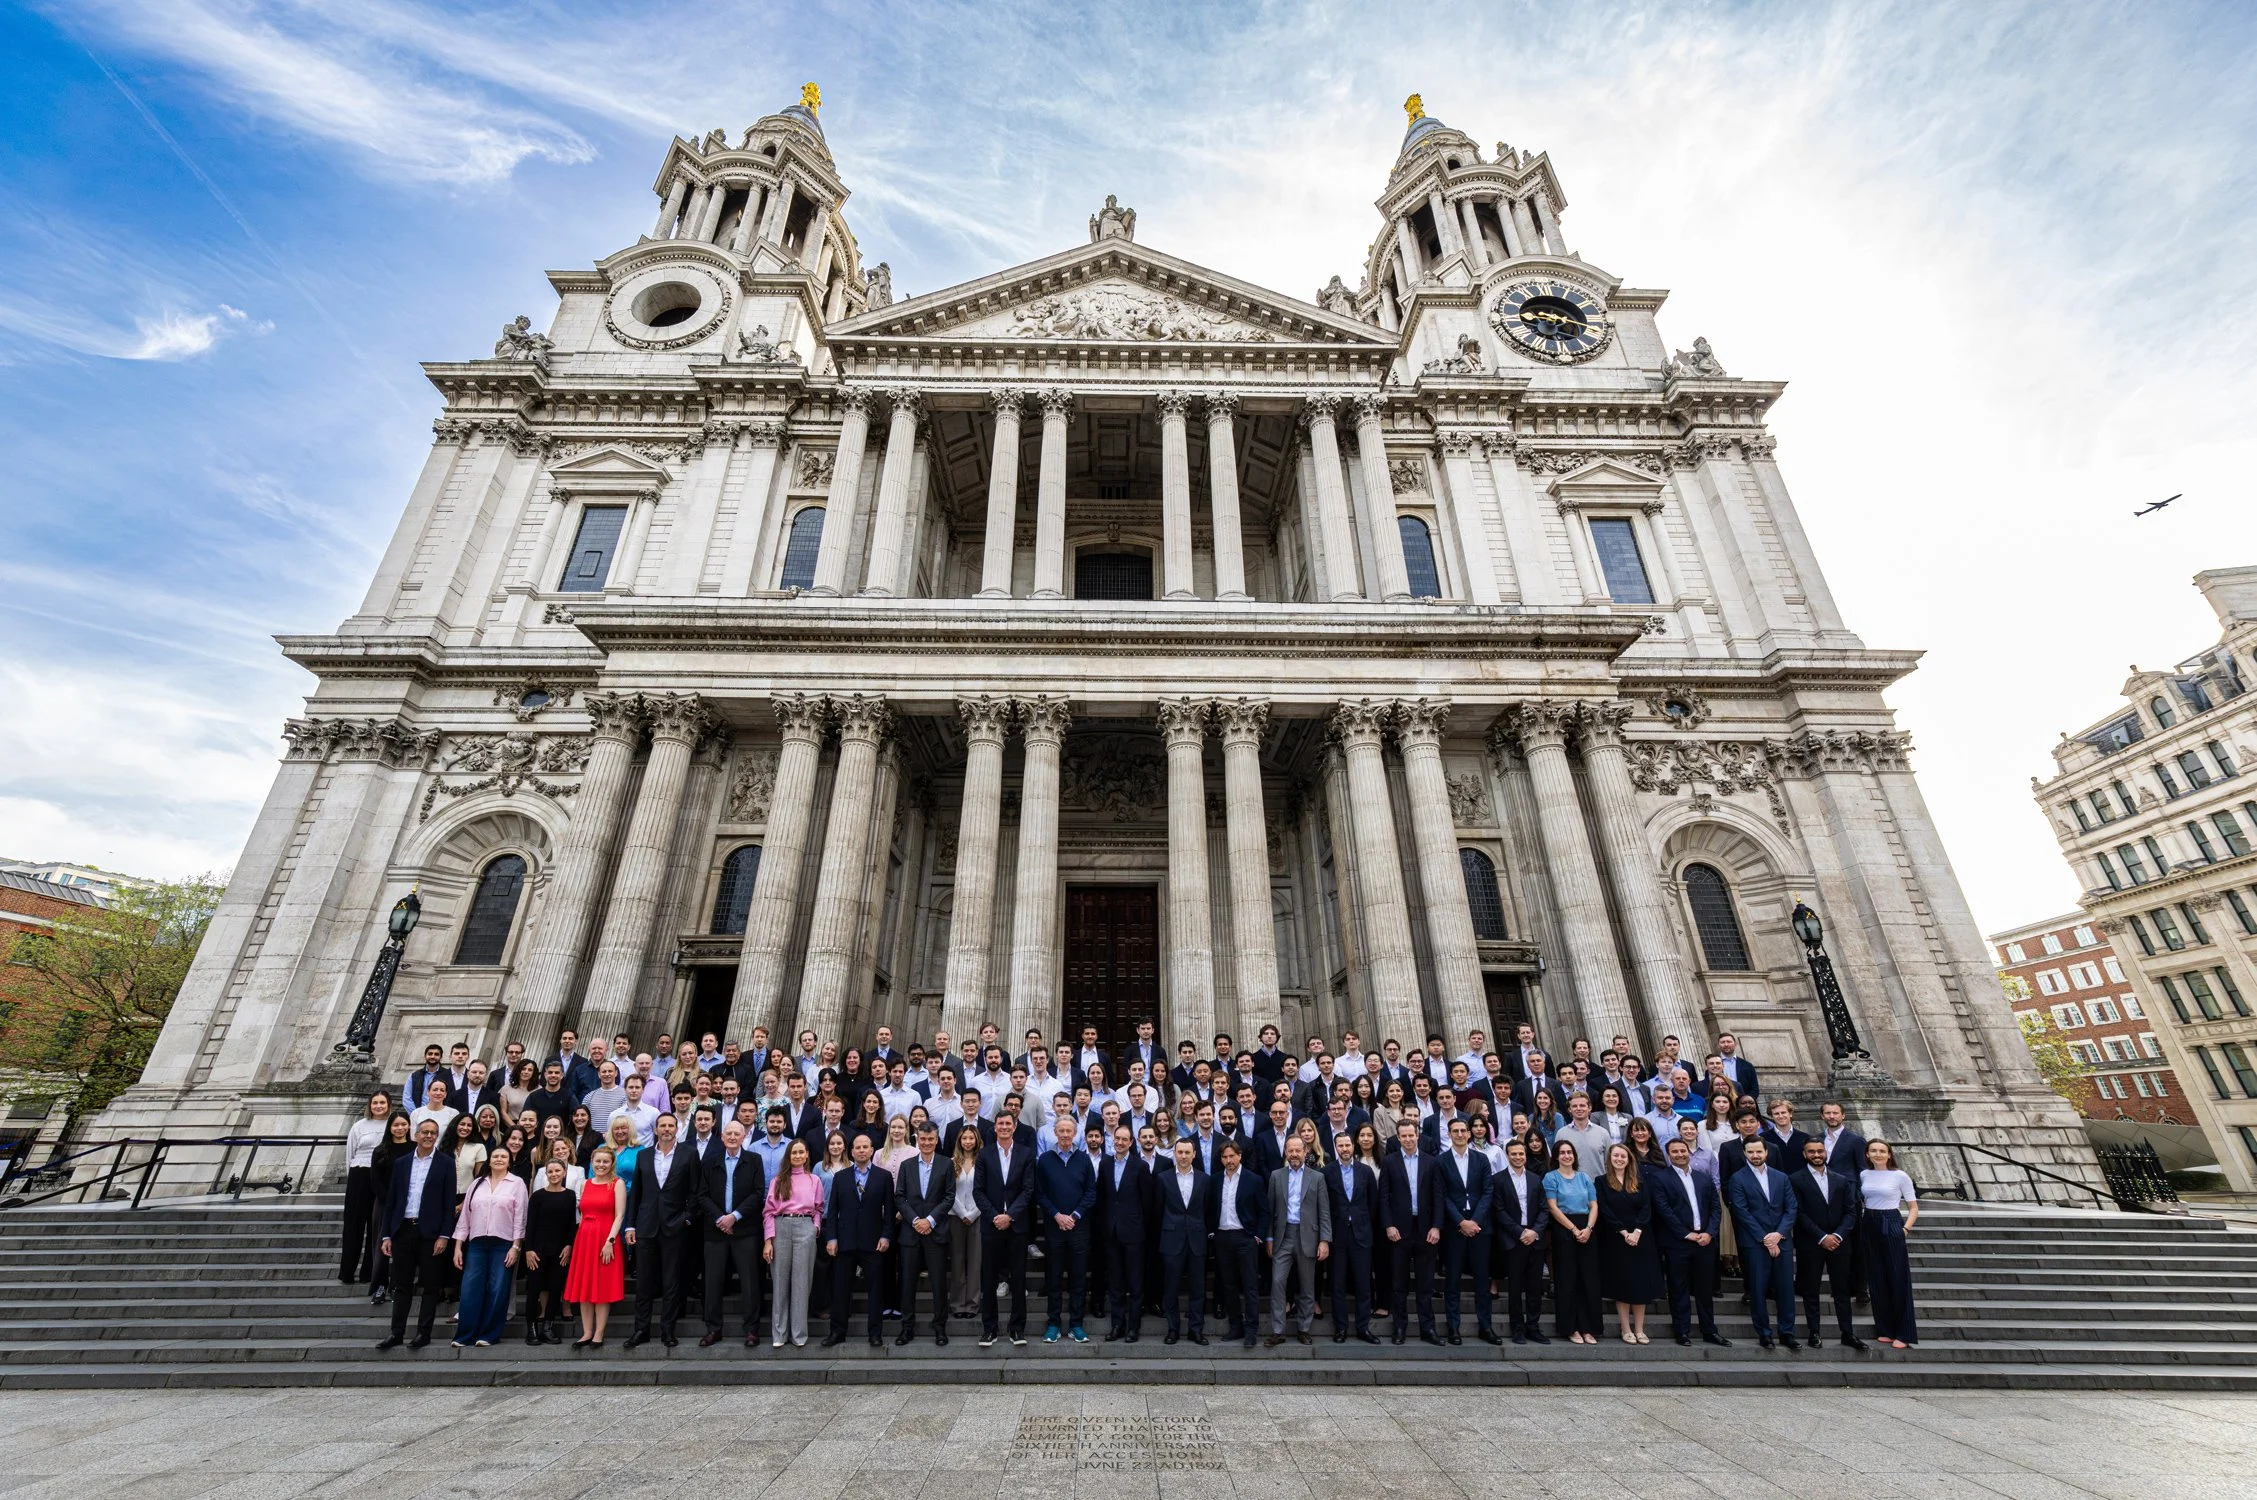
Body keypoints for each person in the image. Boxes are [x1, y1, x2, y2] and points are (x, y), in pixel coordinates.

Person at [375, 1117, 456, 1350]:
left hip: (431, 1233)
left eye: (433, 1133)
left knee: (430, 1285)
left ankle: (423, 1333)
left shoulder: (446, 1163)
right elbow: (392, 1201)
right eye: (425, 1132)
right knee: (401, 1285)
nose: (429, 1136)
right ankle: (396, 1333)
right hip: (403, 1229)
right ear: (416, 1135)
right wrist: (387, 1235)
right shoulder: (401, 1163)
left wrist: (444, 1235)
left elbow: (448, 1203)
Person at [623, 1111, 698, 1350]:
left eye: (670, 1125)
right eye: (662, 1125)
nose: (666, 1129)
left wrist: (687, 1219)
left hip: (675, 1227)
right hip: (646, 1227)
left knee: (671, 1281)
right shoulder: (644, 1155)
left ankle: (668, 1330)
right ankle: (641, 1330)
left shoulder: (689, 1153)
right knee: (644, 1283)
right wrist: (631, 1224)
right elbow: (636, 1192)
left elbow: (695, 1191)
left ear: (677, 1129)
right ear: (655, 1130)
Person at [1649, 1136, 1727, 1347]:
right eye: (1675, 1152)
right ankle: (1682, 1331)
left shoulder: (1703, 1177)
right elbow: (1663, 1210)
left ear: (1688, 1153)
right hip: (1678, 1243)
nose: (1680, 1155)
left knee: (1704, 1290)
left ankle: (1709, 1331)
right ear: (1668, 1155)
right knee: (1679, 1288)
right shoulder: (1660, 1178)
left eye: (1683, 1151)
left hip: (1704, 1241)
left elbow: (1715, 1208)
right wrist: (1685, 1233)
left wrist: (1710, 1233)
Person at [449, 1143, 527, 1348]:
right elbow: (465, 1217)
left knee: (497, 1289)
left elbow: (520, 1218)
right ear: (489, 1160)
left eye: (503, 1156)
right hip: (476, 1243)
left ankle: (489, 1334)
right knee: (469, 1288)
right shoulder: (477, 1184)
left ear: (509, 1161)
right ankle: (465, 1335)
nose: (499, 1159)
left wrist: (516, 1247)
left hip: (503, 1243)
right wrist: (458, 1246)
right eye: (495, 1156)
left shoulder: (517, 1184)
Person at [1724, 1136, 1799, 1350]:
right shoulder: (1738, 1179)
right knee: (1757, 1289)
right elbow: (1741, 1211)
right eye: (1751, 1152)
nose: (1755, 1156)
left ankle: (1787, 1332)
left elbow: (1791, 1208)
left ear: (1766, 1152)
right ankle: (1764, 1333)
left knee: (1785, 1289)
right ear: (1744, 1154)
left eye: (1759, 1152)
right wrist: (1765, 1238)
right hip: (1755, 1243)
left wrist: (1779, 1234)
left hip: (1782, 1240)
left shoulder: (1781, 1177)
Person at [823, 1132, 896, 1347]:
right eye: (858, 1147)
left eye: (866, 1147)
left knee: (875, 1291)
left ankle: (875, 1333)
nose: (862, 1150)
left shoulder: (883, 1177)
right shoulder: (841, 1177)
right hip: (845, 1242)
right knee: (840, 1290)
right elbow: (833, 1210)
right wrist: (832, 1238)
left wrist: (886, 1235)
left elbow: (890, 1211)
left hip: (873, 1242)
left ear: (872, 1150)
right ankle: (837, 1332)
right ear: (851, 1151)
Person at [699, 1119, 768, 1347]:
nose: (731, 1137)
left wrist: (734, 1216)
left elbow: (758, 1193)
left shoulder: (754, 1160)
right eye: (728, 1133)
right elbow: (702, 1194)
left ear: (743, 1137)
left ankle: (751, 1330)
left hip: (745, 1230)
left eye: (736, 1133)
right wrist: (721, 1218)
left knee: (749, 1283)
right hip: (715, 1230)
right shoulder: (710, 1161)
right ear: (722, 1137)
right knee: (712, 1282)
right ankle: (713, 1329)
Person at [1792, 1136, 1864, 1350]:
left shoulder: (1841, 1180)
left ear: (1825, 1153)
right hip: (1811, 1243)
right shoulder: (1795, 1179)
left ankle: (1847, 1333)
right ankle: (1814, 1332)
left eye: (1820, 1151)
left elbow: (1851, 1211)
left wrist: (1838, 1235)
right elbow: (1798, 1212)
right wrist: (1822, 1237)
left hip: (1840, 1243)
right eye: (1811, 1152)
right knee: (1811, 1290)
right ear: (1805, 1154)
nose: (1816, 1155)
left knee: (1842, 1290)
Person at [1034, 1112, 1096, 1343]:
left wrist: (1075, 1215)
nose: (1065, 1135)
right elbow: (1040, 1193)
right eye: (1061, 1131)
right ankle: (1053, 1323)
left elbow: (1091, 1191)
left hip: (1079, 1228)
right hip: (1054, 1228)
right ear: (1055, 1133)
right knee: (1054, 1278)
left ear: (1075, 1133)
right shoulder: (1046, 1160)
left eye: (1069, 1131)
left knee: (1078, 1278)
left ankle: (1076, 1324)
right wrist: (1057, 1215)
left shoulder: (1084, 1159)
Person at [1264, 1135, 1331, 1346]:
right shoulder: (1276, 1176)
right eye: (1290, 1150)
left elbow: (1324, 1211)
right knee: (1277, 1283)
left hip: (1308, 1237)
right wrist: (1269, 1237)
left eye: (1298, 1151)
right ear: (1285, 1152)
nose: (1294, 1154)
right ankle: (1277, 1330)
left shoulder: (1317, 1178)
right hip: (1283, 1237)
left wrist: (1324, 1240)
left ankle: (1304, 1328)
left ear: (1305, 1152)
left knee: (1307, 1285)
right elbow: (1270, 1210)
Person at [1435, 1116, 1496, 1345]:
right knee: (1452, 1281)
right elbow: (1442, 1195)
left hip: (1480, 1226)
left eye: (1463, 1130)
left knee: (1482, 1280)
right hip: (1455, 1228)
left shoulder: (1481, 1160)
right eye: (1455, 1131)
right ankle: (1453, 1328)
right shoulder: (1441, 1161)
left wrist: (1475, 1221)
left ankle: (1486, 1327)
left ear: (1470, 1134)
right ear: (1449, 1135)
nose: (1460, 1134)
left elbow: (1488, 1191)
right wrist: (1461, 1222)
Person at [1378, 1119, 1439, 1346]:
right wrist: (1389, 1225)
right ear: (1398, 1137)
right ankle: (1400, 1328)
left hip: (1425, 1231)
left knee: (1425, 1284)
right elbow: (1383, 1197)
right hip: (1399, 1231)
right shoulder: (1390, 1162)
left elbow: (1438, 1196)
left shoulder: (1431, 1162)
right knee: (1399, 1284)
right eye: (1403, 1136)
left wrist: (1436, 1226)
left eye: (1411, 1135)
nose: (1407, 1139)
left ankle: (1428, 1329)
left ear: (1418, 1135)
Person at [895, 1122, 954, 1345]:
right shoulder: (907, 1165)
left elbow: (949, 1197)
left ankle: (940, 1327)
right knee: (907, 1283)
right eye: (923, 1139)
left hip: (936, 1231)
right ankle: (906, 1328)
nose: (927, 1143)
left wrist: (929, 1220)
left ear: (937, 1140)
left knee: (939, 1283)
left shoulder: (946, 1164)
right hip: (911, 1233)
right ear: (917, 1139)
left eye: (931, 1139)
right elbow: (900, 1196)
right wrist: (915, 1220)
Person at [564, 1144, 627, 1348]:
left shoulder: (617, 1184)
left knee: (601, 1287)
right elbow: (581, 1215)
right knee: (585, 1286)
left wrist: (610, 1241)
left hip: (606, 1238)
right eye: (597, 1161)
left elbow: (619, 1215)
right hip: (585, 1238)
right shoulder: (585, 1184)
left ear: (611, 1164)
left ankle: (599, 1333)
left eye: (605, 1161)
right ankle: (586, 1332)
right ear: (592, 1162)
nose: (601, 1165)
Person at [1596, 1141, 1658, 1345]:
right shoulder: (1601, 1182)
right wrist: (1624, 1233)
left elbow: (1646, 1208)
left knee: (1640, 1284)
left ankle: (1640, 1329)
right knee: (1622, 1284)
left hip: (1641, 1238)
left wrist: (1637, 1231)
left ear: (1629, 1159)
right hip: (1616, 1239)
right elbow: (1605, 1210)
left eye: (1623, 1156)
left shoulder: (1640, 1181)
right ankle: (1625, 1328)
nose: (1619, 1159)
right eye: (1616, 1156)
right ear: (1610, 1159)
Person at [763, 1138, 823, 1347]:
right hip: (781, 1227)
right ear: (788, 1155)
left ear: (807, 1155)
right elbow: (769, 1212)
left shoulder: (814, 1179)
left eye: (801, 1152)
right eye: (794, 1152)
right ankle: (779, 1334)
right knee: (780, 1281)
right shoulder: (778, 1180)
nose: (797, 1156)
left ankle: (798, 1334)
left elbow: (819, 1208)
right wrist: (768, 1241)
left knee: (801, 1283)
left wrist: (814, 1228)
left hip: (805, 1227)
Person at [1860, 1139, 1920, 1348]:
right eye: (1873, 1151)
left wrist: (1905, 1229)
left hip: (1891, 1221)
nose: (1878, 1154)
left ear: (1889, 1154)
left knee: (1898, 1277)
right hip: (1869, 1222)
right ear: (1867, 1154)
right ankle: (1884, 1328)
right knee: (1876, 1277)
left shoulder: (1900, 1176)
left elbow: (1913, 1207)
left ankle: (1904, 1333)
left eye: (1882, 1151)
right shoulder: (1864, 1175)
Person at [1491, 1135, 1548, 1344]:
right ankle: (1517, 1328)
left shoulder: (1535, 1179)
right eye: (1513, 1154)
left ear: (1526, 1155)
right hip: (1514, 1240)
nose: (1517, 1157)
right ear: (1507, 1156)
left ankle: (1533, 1326)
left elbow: (1544, 1209)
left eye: (1521, 1154)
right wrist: (1519, 1232)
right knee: (1515, 1288)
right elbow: (1499, 1210)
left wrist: (1534, 1231)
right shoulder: (1498, 1180)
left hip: (1534, 1238)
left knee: (1535, 1286)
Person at [1543, 1137, 1601, 1344]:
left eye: (1570, 1152)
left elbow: (1593, 1205)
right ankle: (1571, 1327)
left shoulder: (1584, 1177)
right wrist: (1574, 1229)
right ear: (1557, 1157)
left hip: (1587, 1228)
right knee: (1567, 1280)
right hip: (1564, 1230)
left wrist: (1588, 1228)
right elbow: (1553, 1207)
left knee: (1588, 1280)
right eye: (1563, 1153)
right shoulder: (1551, 1178)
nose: (1567, 1156)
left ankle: (1588, 1328)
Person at [1098, 1123, 1152, 1342]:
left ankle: (1133, 1327)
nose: (1119, 1143)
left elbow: (1147, 1202)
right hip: (1111, 1233)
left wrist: (1141, 1228)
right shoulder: (1105, 1164)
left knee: (1135, 1282)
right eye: (1116, 1138)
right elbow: (1102, 1198)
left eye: (1124, 1139)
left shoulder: (1140, 1166)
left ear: (1131, 1142)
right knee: (1116, 1283)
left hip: (1134, 1233)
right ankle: (1117, 1325)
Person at [1155, 1136, 1209, 1345]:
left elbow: (1207, 1209)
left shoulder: (1204, 1179)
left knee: (1198, 1288)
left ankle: (1196, 1330)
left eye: (1188, 1152)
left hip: (1197, 1239)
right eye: (1180, 1152)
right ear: (1175, 1154)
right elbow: (1158, 1210)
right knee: (1171, 1287)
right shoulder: (1163, 1178)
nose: (1184, 1156)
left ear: (1194, 1154)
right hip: (1171, 1239)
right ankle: (1173, 1328)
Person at [1327, 1130, 1379, 1344]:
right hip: (1337, 1235)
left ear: (1353, 1146)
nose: (1345, 1149)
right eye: (1340, 1146)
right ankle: (1341, 1328)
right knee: (1337, 1285)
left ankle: (1363, 1327)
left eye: (1347, 1145)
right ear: (1336, 1148)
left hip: (1361, 1234)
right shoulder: (1326, 1172)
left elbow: (1373, 1203)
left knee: (1363, 1284)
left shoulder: (1365, 1172)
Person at [521, 1157, 575, 1344]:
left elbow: (570, 1224)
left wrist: (569, 1245)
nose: (554, 1174)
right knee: (534, 1289)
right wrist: (528, 1250)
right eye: (550, 1171)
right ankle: (532, 1330)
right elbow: (530, 1225)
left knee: (555, 1288)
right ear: (546, 1174)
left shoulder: (570, 1195)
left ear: (564, 1173)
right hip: (537, 1250)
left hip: (560, 1251)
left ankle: (548, 1327)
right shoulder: (537, 1196)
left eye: (557, 1171)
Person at [340, 1091, 392, 1285]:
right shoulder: (359, 1126)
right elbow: (350, 1154)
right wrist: (353, 1177)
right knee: (353, 1224)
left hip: (381, 1176)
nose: (378, 1106)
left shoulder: (391, 1125)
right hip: (359, 1174)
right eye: (375, 1103)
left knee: (375, 1226)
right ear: (370, 1105)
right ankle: (347, 1271)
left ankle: (368, 1272)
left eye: (382, 1103)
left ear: (388, 1105)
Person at [367, 1112, 414, 1305]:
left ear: (409, 1126)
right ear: (390, 1127)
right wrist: (388, 1200)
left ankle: (397, 1285)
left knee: (402, 1247)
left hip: (408, 1203)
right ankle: (380, 1285)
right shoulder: (380, 1150)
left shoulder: (414, 1148)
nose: (400, 1128)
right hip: (385, 1203)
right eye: (396, 1125)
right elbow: (375, 1179)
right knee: (381, 1245)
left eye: (404, 1124)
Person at [946, 1126, 984, 1323]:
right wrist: (962, 1213)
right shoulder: (951, 1164)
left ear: (977, 1140)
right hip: (956, 1216)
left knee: (975, 1261)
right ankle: (958, 1304)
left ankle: (972, 1304)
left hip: (978, 1216)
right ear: (959, 1141)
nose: (968, 1141)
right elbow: (949, 1193)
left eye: (971, 1138)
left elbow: (985, 1191)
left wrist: (973, 1213)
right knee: (958, 1260)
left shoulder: (984, 1162)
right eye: (964, 1138)